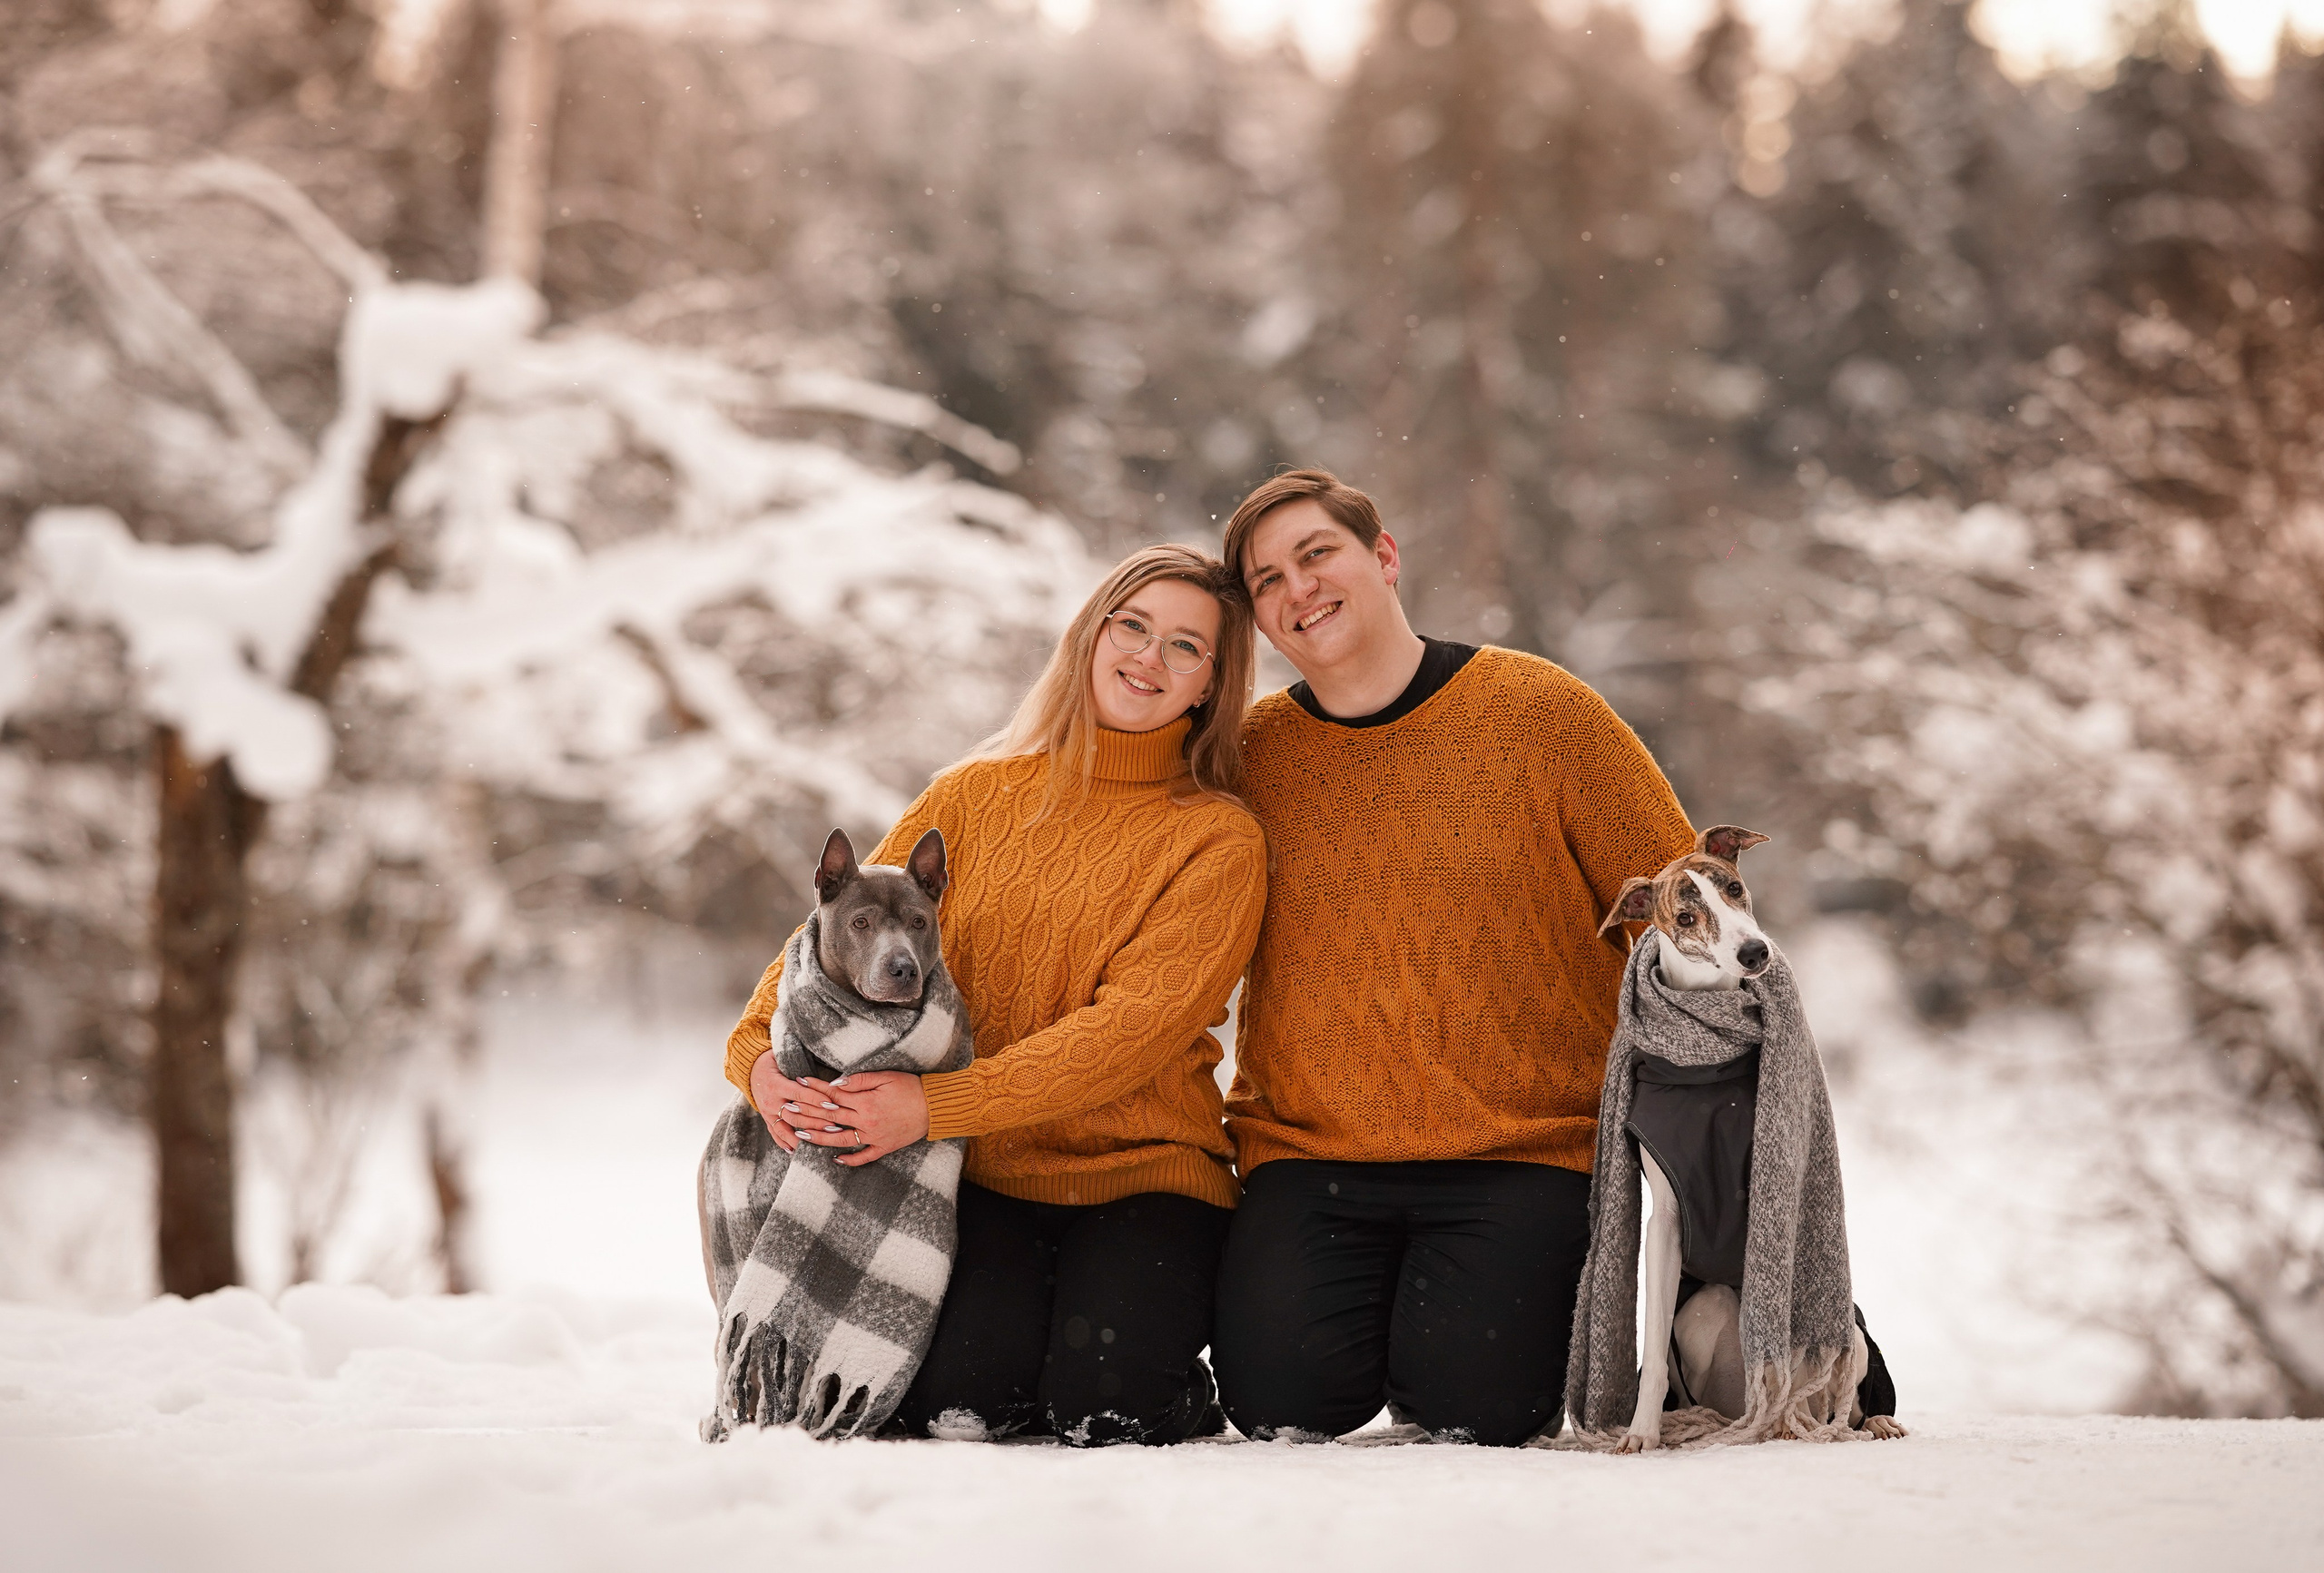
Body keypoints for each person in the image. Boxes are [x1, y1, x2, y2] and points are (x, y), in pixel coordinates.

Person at [719, 543, 1265, 1446]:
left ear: (1209, 683)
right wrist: (755, 1062)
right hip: (981, 1172)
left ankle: (1175, 1366)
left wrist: (937, 1101)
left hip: (1141, 1173)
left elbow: (1130, 1030)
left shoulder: (1217, 838)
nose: (1147, 656)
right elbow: (829, 937)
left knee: (1108, 1408)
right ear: (1090, 636)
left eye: (1183, 646)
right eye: (1131, 626)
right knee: (949, 1407)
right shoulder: (972, 794)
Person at [1209, 468, 1697, 1447]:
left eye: (1317, 555)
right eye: (1268, 580)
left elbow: (1681, 908)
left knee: (1477, 1408)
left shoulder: (1540, 712)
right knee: (1276, 1401)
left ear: (1383, 557)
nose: (1298, 588)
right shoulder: (1248, 756)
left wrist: (1714, 1121)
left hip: (1521, 1147)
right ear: (1257, 618)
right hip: (1311, 1151)